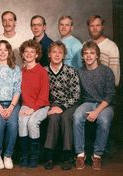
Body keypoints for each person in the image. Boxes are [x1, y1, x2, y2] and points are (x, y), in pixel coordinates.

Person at [73, 41, 115, 170]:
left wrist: (97, 112)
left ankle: (97, 156)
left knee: (104, 120)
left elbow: (110, 96)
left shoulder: (107, 71)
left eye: (92, 53)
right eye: (86, 53)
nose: (89, 56)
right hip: (87, 103)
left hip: (105, 105)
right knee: (76, 116)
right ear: (83, 56)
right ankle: (80, 155)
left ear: (97, 55)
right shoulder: (80, 72)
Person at [44, 41, 80, 170]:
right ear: (49, 54)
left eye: (60, 52)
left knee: (65, 118)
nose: (57, 55)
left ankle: (67, 155)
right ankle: (49, 155)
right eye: (54, 52)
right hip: (53, 103)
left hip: (69, 104)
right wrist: (49, 107)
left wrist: (63, 107)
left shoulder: (71, 71)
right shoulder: (44, 71)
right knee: (53, 118)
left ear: (64, 55)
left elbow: (76, 94)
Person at [0, 40, 21, 169]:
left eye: (5, 50)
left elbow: (17, 90)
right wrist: (0, 108)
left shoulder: (16, 69)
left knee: (13, 124)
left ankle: (8, 155)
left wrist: (11, 107)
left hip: (12, 103)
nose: (2, 52)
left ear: (9, 52)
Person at [18, 39, 49, 168]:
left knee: (32, 122)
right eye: (26, 51)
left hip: (41, 105)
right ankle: (24, 155)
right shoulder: (21, 72)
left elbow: (44, 96)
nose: (29, 54)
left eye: (32, 52)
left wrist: (33, 109)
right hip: (26, 104)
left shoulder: (42, 72)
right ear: (23, 54)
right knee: (22, 121)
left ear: (37, 55)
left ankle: (34, 156)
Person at [87, 15, 120, 86]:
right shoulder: (85, 45)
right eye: (92, 26)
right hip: (88, 90)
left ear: (102, 27)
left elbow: (115, 76)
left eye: (98, 25)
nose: (95, 28)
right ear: (88, 28)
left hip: (105, 91)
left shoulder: (111, 46)